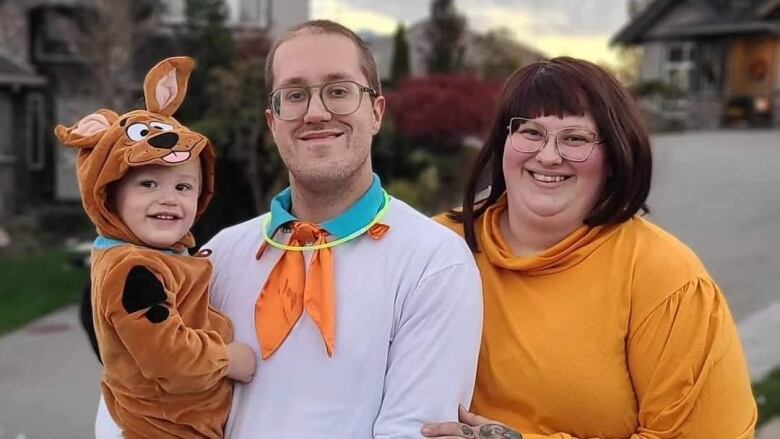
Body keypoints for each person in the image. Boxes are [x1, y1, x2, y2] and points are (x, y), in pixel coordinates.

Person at [95, 20, 483, 438]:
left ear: (376, 112)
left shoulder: (434, 263)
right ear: (272, 123)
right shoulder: (221, 255)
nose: (316, 112)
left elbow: (412, 431)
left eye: (338, 90)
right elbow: (137, 389)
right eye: (294, 95)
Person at [423, 57, 757, 439]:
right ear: (502, 144)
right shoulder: (435, 247)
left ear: (614, 157)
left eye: (575, 138)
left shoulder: (665, 278)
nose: (548, 155)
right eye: (531, 132)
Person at [56, 57, 257, 438]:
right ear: (109, 195)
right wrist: (229, 359)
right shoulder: (133, 271)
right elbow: (169, 357)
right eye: (148, 184)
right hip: (165, 430)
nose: (168, 199)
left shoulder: (156, 257)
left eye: (183, 187)